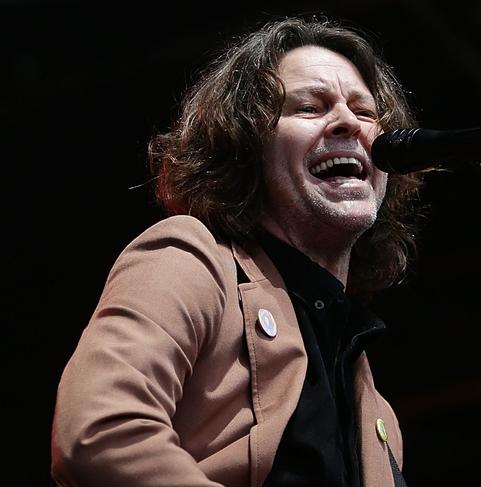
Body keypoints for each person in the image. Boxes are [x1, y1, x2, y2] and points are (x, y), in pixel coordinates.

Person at [50, 16, 423, 487]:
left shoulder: (374, 407)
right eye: (309, 107)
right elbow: (99, 434)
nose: (349, 122)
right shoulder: (188, 259)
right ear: (247, 148)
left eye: (365, 112)